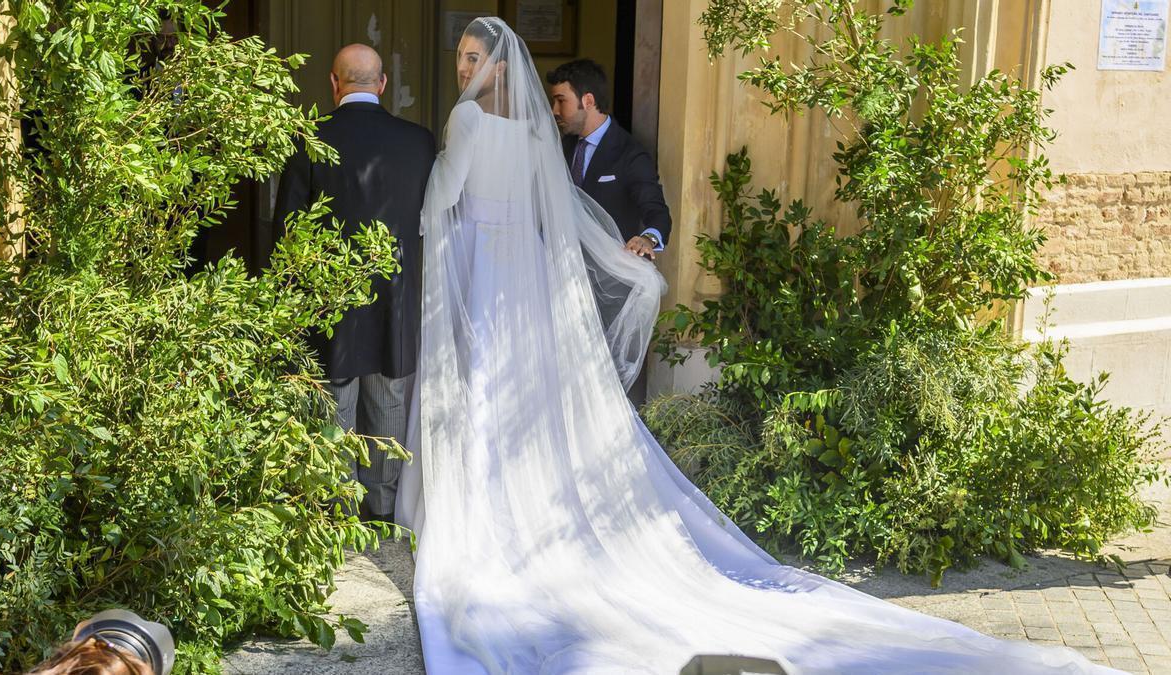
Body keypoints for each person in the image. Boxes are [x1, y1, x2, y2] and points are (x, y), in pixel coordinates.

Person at [395, 16, 1115, 675]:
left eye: (470, 58)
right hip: (522, 272)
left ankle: (486, 514)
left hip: (487, 267)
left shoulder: (465, 122)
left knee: (485, 380)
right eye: (461, 58)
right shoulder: (532, 136)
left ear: (495, 67)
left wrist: (434, 235)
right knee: (519, 381)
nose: (463, 69)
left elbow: (443, 197)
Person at [273, 44, 436, 523]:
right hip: (396, 301)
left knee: (333, 406)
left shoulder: (310, 138)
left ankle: (334, 514)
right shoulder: (419, 141)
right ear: (382, 84)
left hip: (330, 301)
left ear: (333, 82)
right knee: (388, 403)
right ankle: (381, 511)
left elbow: (288, 230)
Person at [547, 58, 671, 402]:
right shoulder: (562, 145)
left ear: (588, 100)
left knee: (603, 389)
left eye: (561, 100)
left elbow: (656, 210)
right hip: (561, 283)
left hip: (609, 292)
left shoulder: (630, 154)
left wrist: (648, 238)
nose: (556, 109)